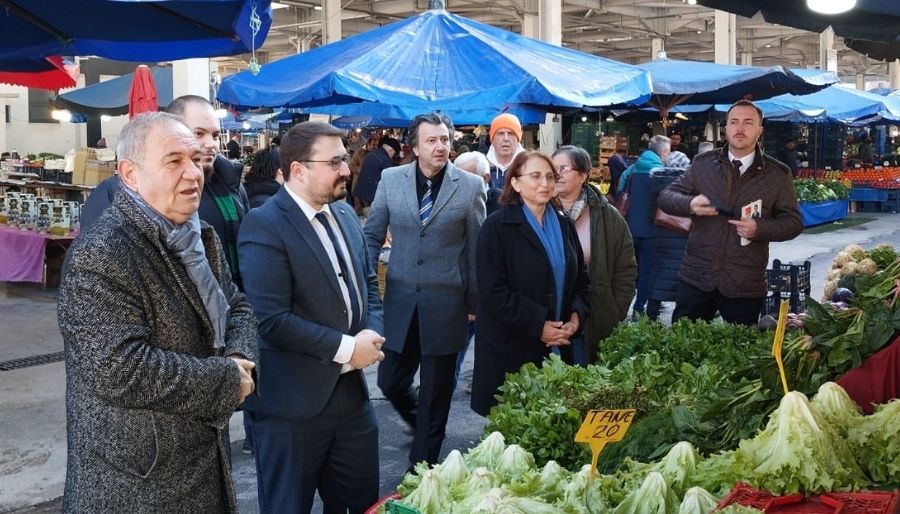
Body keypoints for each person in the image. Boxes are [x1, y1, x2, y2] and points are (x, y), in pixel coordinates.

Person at [57, 112, 258, 513]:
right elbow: (120, 370)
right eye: (174, 161)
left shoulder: (199, 234)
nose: (193, 173)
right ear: (129, 173)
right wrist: (226, 381)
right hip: (139, 485)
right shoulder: (101, 253)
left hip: (199, 461)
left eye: (196, 159)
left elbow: (237, 304)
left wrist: (240, 360)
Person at [238, 122, 385, 513]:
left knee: (362, 505)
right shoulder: (264, 224)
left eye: (344, 158)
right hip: (291, 409)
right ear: (298, 170)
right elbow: (270, 318)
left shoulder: (345, 215)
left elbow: (369, 283)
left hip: (351, 401)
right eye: (335, 161)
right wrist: (347, 348)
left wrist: (372, 332)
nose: (346, 169)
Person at [364, 112, 485, 467]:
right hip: (400, 300)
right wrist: (368, 288)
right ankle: (427, 427)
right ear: (414, 147)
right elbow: (372, 236)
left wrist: (474, 303)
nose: (440, 146)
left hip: (447, 304)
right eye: (431, 140)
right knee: (389, 381)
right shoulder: (390, 179)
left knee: (436, 391)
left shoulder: (470, 186)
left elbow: (476, 249)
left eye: (445, 139)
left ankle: (422, 471)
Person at [80, 95, 251, 289]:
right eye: (199, 133)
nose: (211, 143)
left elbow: (236, 283)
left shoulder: (231, 184)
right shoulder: (118, 193)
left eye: (215, 135)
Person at [658, 100, 803, 326]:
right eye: (734, 122)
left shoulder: (778, 174)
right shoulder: (702, 163)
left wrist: (760, 228)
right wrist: (690, 203)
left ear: (760, 130)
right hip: (697, 276)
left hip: (744, 282)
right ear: (726, 128)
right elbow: (666, 197)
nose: (740, 128)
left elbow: (793, 222)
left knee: (740, 351)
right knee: (682, 346)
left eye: (748, 122)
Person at [471, 151, 590, 414]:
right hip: (512, 349)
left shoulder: (563, 225)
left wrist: (575, 318)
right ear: (515, 182)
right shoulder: (497, 227)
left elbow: (581, 280)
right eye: (535, 176)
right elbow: (493, 293)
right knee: (513, 436)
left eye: (550, 176)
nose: (545, 183)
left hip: (559, 346)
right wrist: (539, 325)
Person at [552, 145, 636, 364]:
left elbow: (626, 268)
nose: (557, 174)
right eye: (553, 168)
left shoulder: (608, 216)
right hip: (549, 317)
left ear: (583, 175)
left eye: (564, 168)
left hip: (594, 316)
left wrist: (614, 311)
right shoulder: (541, 210)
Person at [619, 135, 670, 319]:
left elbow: (620, 189)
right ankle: (639, 307)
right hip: (651, 230)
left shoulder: (632, 168)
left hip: (630, 227)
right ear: (663, 152)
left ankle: (623, 306)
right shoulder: (660, 172)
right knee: (647, 271)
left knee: (630, 269)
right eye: (668, 152)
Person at [645, 152, 692, 322]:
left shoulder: (656, 181)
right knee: (680, 278)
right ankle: (679, 321)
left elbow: (651, 212)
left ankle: (651, 318)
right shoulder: (688, 184)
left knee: (658, 275)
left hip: (660, 235)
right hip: (682, 235)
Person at [354, 137, 401, 210]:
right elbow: (391, 179)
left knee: (359, 216)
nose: (392, 156)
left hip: (359, 191)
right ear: (391, 150)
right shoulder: (385, 160)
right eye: (394, 153)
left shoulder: (371, 154)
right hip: (370, 196)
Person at [486, 113, 526, 189]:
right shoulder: (481, 166)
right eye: (500, 133)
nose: (506, 138)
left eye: (511, 133)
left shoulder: (529, 165)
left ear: (518, 139)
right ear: (492, 139)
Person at [455, 150, 501, 215]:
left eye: (467, 178)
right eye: (457, 178)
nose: (460, 183)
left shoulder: (503, 203)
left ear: (486, 178)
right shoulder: (450, 197)